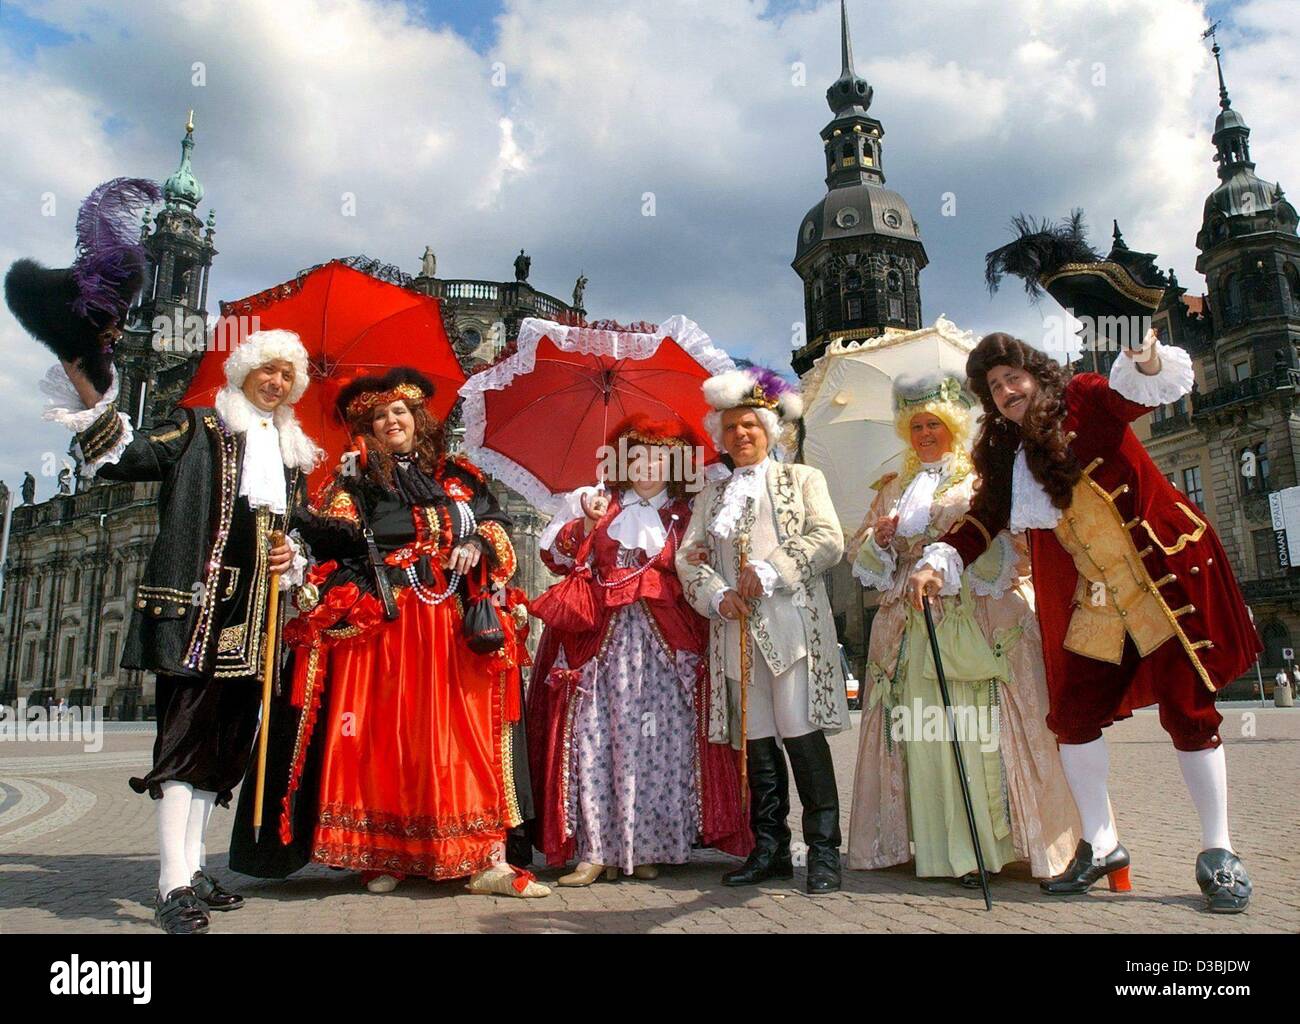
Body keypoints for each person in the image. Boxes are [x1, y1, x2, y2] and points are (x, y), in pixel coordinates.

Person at [908, 330, 1259, 913]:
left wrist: (1143, 353)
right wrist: (936, 561)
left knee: (1189, 713)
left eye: (1012, 377)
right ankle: (1102, 844)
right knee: (1071, 717)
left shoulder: (1087, 398)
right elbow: (984, 516)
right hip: (1092, 600)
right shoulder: (1001, 452)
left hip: (1158, 582)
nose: (1005, 391)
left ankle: (1219, 851)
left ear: (1037, 375)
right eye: (994, 387)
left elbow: (1142, 392)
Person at [41, 329, 319, 934]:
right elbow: (131, 456)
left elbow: (289, 531)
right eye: (266, 371)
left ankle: (191, 870)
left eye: (286, 376)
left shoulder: (291, 457)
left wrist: (289, 555)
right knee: (182, 747)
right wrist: (87, 384)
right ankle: (170, 886)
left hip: (253, 624)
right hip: (197, 616)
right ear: (243, 372)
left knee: (221, 753)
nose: (276, 383)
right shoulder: (198, 428)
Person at [253, 367, 547, 898]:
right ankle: (389, 852)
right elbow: (331, 544)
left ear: (417, 418)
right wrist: (318, 506)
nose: (391, 421)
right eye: (379, 416)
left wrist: (478, 543)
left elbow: (498, 525)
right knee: (393, 741)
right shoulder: (356, 481)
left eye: (400, 413)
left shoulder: (459, 475)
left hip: (457, 625)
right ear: (365, 428)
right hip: (390, 627)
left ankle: (484, 858)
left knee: (464, 738)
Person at [846, 371, 1078, 885]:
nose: (926, 433)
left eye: (935, 424)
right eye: (917, 425)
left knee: (979, 728)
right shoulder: (892, 489)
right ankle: (943, 848)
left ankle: (988, 847)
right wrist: (881, 541)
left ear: (953, 425)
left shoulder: (980, 476)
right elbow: (858, 557)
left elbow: (1013, 539)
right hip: (908, 622)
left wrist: (947, 554)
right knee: (925, 731)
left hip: (974, 613)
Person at [528, 415, 750, 883]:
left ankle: (647, 844)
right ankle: (595, 851)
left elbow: (703, 570)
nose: (647, 464)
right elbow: (556, 559)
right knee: (594, 740)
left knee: (660, 743)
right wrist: (584, 525)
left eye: (658, 456)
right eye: (636, 456)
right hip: (600, 647)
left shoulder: (688, 514)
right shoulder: (599, 505)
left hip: (666, 648)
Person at [676, 367, 849, 894]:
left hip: (792, 630)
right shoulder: (711, 496)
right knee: (756, 744)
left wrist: (772, 569)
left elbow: (829, 539)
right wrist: (716, 594)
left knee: (800, 735)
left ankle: (822, 852)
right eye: (730, 428)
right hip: (736, 635)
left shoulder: (802, 479)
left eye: (750, 425)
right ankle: (768, 848)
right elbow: (688, 557)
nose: (740, 435)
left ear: (769, 429)